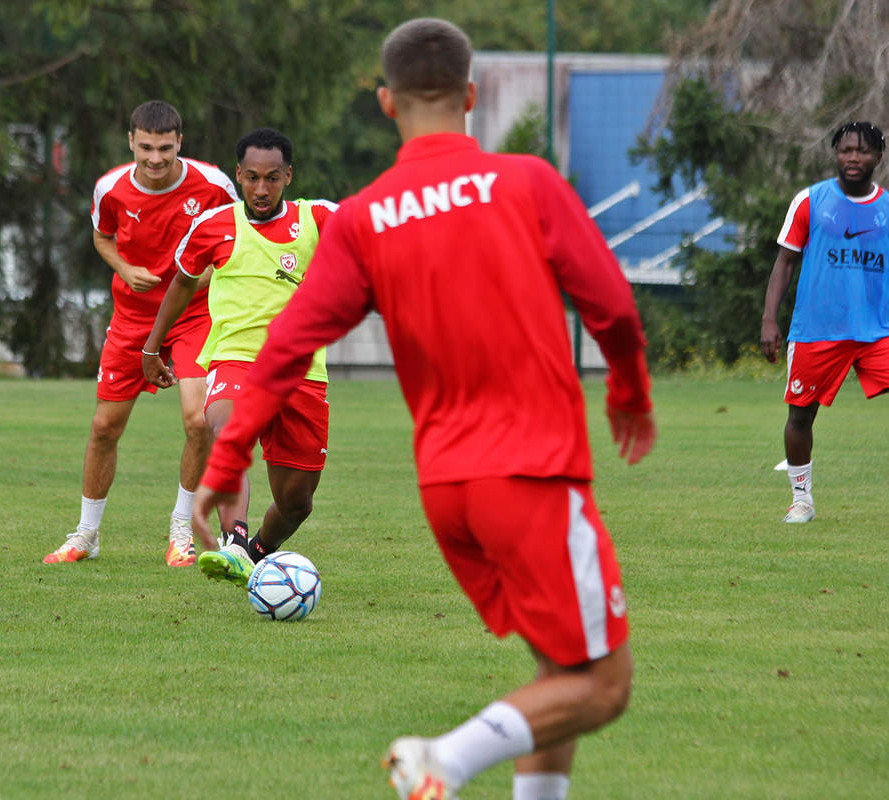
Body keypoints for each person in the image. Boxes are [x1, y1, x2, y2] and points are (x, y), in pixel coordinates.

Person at [189, 19, 656, 800]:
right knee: (604, 685)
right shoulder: (528, 182)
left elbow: (285, 346)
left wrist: (228, 459)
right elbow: (610, 305)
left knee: (558, 672)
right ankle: (446, 758)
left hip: (448, 491)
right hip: (533, 474)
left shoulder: (367, 217)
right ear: (471, 96)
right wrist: (631, 393)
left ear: (385, 102)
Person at [41, 100, 241, 567]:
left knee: (198, 421)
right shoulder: (109, 189)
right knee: (104, 427)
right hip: (132, 320)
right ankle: (86, 535)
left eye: (165, 149)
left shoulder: (212, 185)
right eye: (146, 148)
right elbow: (102, 237)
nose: (155, 159)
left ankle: (180, 531)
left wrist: (199, 280)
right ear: (131, 141)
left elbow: (238, 237)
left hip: (193, 316)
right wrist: (124, 269)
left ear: (180, 144)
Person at [141, 127, 337, 586]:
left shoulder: (317, 220)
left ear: (288, 176)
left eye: (272, 178)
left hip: (302, 372)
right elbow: (182, 284)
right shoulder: (213, 227)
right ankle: (233, 543)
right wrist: (152, 347)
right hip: (236, 359)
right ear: (238, 176)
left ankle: (256, 552)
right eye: (251, 178)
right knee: (227, 431)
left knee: (296, 501)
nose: (261, 189)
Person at [760, 121, 889, 524]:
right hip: (818, 328)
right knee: (800, 414)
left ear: (878, 158)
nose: (853, 158)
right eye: (846, 150)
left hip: (877, 330)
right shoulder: (811, 201)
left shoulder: (887, 209)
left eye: (863, 151)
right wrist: (769, 319)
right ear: (835, 153)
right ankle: (802, 500)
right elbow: (784, 261)